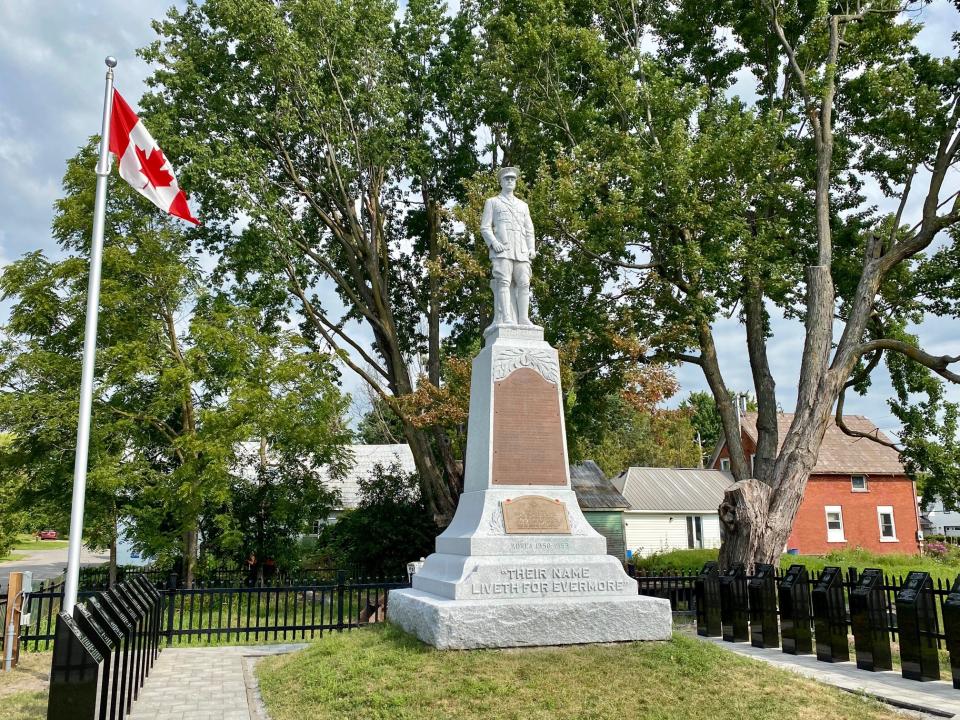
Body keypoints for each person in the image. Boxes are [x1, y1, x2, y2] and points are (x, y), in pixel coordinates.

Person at [479, 167, 537, 325]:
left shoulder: (523, 205)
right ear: (501, 182)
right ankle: (507, 318)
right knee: (504, 282)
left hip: (521, 250)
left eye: (513, 179)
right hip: (503, 250)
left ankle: (524, 318)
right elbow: (485, 227)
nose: (510, 181)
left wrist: (531, 248)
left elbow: (529, 229)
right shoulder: (492, 202)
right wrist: (494, 242)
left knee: (524, 283)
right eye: (507, 179)